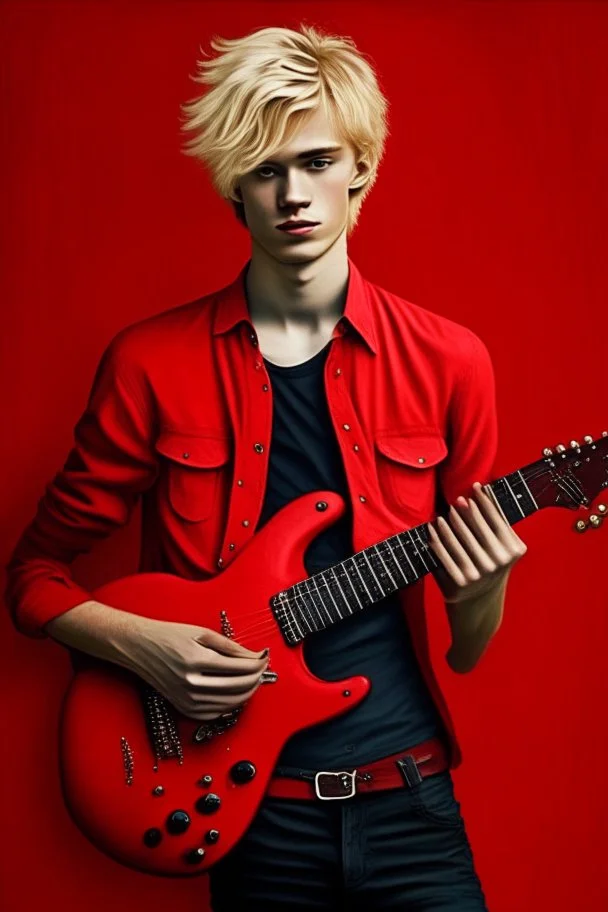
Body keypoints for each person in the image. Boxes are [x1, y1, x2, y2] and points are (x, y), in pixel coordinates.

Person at [5, 23, 527, 912]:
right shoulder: (149, 363)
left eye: (317, 162)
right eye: (264, 169)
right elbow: (33, 577)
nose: (293, 195)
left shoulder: (451, 361)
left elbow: (467, 653)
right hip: (251, 815)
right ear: (233, 189)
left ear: (361, 167)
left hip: (410, 797)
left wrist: (483, 590)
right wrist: (146, 646)